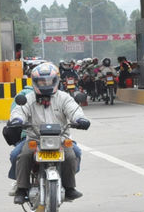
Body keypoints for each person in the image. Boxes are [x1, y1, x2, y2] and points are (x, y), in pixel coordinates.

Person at [7, 63, 91, 204]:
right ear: (35, 82)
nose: (45, 84)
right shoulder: (28, 98)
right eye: (41, 81)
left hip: (60, 139)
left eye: (49, 81)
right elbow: (19, 111)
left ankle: (69, 187)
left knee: (72, 155)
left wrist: (80, 119)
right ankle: (21, 189)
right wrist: (17, 119)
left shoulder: (64, 97)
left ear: (56, 81)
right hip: (35, 139)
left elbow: (74, 110)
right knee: (24, 155)